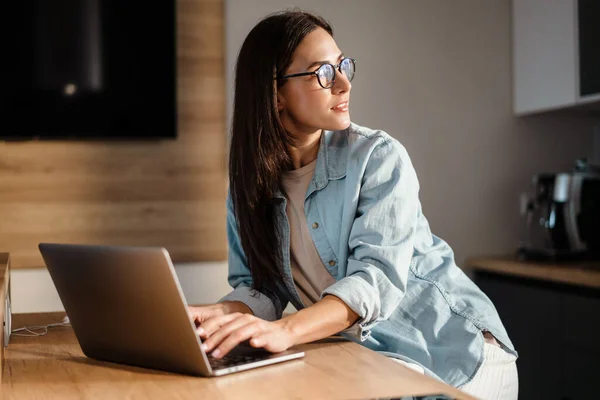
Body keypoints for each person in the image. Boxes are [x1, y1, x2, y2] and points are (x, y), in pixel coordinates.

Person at [188, 9, 518, 399]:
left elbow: (372, 284)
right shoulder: (248, 185)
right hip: (372, 356)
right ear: (275, 93)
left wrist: (284, 331)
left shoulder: (378, 158)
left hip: (454, 354)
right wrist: (208, 318)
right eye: (323, 73)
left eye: (343, 66)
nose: (343, 83)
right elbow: (259, 290)